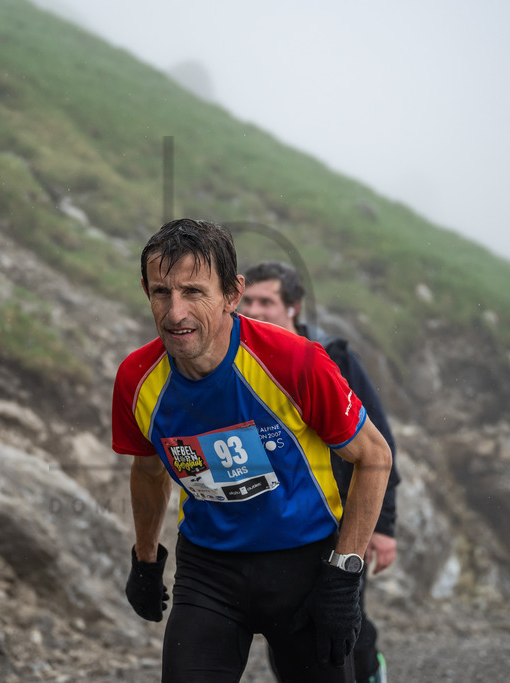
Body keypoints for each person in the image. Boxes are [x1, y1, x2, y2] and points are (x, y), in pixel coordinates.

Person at [113, 218, 392, 682]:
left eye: (193, 292)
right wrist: (145, 560)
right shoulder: (137, 379)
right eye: (161, 292)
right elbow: (148, 472)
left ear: (232, 293)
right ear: (146, 291)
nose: (174, 312)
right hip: (209, 571)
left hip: (305, 564)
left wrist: (346, 572)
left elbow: (375, 456)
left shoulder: (294, 361)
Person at [241, 260, 401, 683]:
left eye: (266, 301)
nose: (254, 310)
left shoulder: (333, 360)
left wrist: (382, 527)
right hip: (278, 525)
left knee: (345, 624)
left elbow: (380, 446)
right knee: (288, 635)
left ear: (292, 307)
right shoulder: (234, 361)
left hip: (343, 520)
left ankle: (370, 674)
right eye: (247, 300)